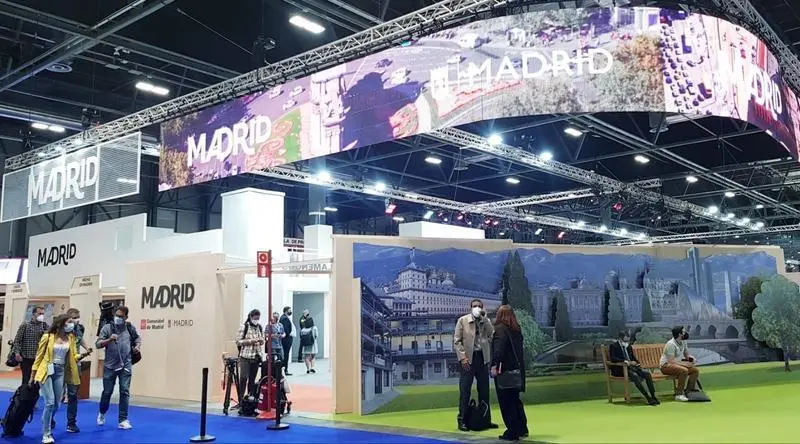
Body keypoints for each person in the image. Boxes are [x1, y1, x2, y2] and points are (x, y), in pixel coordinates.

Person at [32, 314, 89, 444]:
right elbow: (39, 356)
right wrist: (32, 375)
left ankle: (46, 419)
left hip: (61, 371)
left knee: (57, 404)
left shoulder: (71, 338)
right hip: (46, 370)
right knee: (50, 402)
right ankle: (46, 433)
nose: (72, 324)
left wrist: (84, 354)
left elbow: (73, 356)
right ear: (61, 323)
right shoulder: (48, 336)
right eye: (69, 322)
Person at [454, 299, 497, 432]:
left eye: (479, 306)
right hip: (468, 359)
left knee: (484, 390)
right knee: (465, 390)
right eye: (474, 306)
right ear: (470, 308)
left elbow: (492, 335)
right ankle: (462, 420)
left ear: (482, 308)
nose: (477, 308)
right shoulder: (463, 320)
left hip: (482, 358)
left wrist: (485, 319)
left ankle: (485, 419)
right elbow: (457, 341)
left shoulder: (485, 321)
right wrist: (463, 358)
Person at [95, 306, 141, 429]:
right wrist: (109, 339)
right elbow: (98, 344)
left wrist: (137, 346)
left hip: (126, 365)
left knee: (124, 391)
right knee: (107, 392)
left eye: (121, 316)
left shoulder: (130, 328)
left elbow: (137, 338)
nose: (118, 318)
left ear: (126, 317)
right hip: (110, 366)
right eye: (117, 315)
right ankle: (102, 413)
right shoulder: (107, 328)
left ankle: (123, 419)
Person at [490, 305, 528, 441]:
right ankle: (522, 428)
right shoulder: (516, 330)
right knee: (515, 401)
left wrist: (494, 365)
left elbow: (499, 350)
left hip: (504, 371)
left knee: (506, 402)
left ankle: (512, 431)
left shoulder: (499, 329)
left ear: (499, 315)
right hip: (517, 371)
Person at [62, 308, 93, 432]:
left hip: (76, 362)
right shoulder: (61, 330)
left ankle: (71, 423)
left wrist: (87, 348)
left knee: (73, 394)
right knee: (55, 397)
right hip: (61, 364)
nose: (76, 320)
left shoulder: (80, 328)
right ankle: (50, 420)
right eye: (74, 318)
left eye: (78, 317)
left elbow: (80, 339)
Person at [609, 330, 659, 406]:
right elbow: (613, 358)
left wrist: (636, 362)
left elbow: (633, 357)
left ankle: (653, 396)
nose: (628, 340)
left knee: (647, 374)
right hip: (621, 369)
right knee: (635, 376)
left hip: (632, 368)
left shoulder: (628, 346)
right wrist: (626, 362)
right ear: (621, 338)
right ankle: (647, 397)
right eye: (626, 338)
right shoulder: (613, 346)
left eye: (628, 338)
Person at [659, 326, 699, 402]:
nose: (685, 333)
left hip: (676, 365)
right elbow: (671, 361)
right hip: (666, 366)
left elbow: (686, 355)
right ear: (679, 334)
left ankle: (689, 391)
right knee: (684, 370)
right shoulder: (671, 344)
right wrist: (686, 365)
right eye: (683, 332)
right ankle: (679, 395)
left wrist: (691, 358)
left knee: (695, 370)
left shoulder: (683, 342)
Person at [13, 306, 48, 385]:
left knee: (37, 381)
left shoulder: (44, 326)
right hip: (26, 358)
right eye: (39, 313)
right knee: (26, 380)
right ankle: (24, 392)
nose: (41, 315)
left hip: (39, 358)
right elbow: (17, 340)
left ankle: (34, 392)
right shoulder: (25, 325)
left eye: (43, 314)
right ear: (33, 314)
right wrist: (17, 353)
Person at [236, 309, 264, 399]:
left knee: (252, 380)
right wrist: (251, 341)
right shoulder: (244, 327)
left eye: (258, 318)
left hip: (256, 357)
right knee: (243, 378)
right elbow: (238, 341)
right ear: (251, 317)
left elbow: (262, 339)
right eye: (255, 318)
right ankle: (240, 399)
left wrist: (261, 341)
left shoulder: (259, 327)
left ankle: (250, 398)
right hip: (245, 357)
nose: (256, 320)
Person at [298, 309, 318, 374]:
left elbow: (301, 336)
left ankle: (308, 369)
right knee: (313, 356)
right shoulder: (314, 328)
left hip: (305, 345)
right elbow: (316, 336)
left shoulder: (303, 330)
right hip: (312, 344)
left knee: (306, 357)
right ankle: (312, 367)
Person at [279, 307, 295, 375]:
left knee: (285, 354)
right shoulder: (284, 318)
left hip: (286, 338)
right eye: (289, 310)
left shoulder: (285, 317)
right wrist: (289, 335)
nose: (290, 311)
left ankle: (285, 369)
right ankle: (285, 370)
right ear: (286, 311)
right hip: (286, 339)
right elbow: (286, 329)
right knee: (286, 355)